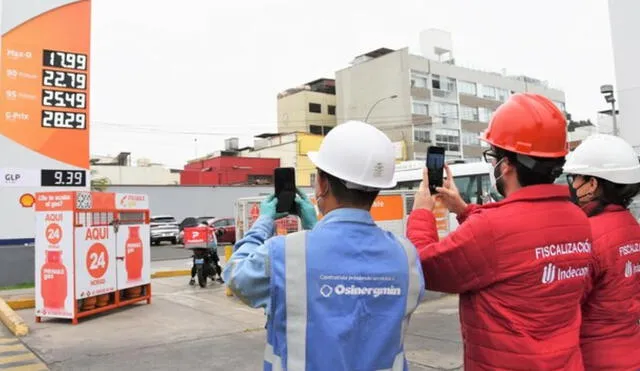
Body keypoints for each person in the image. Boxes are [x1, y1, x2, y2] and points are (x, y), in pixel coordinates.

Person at [407, 93, 594, 369]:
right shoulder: (578, 219)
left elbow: (424, 266)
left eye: (492, 156)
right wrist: (463, 210)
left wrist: (422, 211)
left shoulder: (492, 229)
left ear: (505, 166)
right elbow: (511, 249)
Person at [223, 121, 425, 371]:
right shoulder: (406, 256)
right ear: (377, 189)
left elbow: (235, 275)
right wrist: (315, 226)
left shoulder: (284, 254)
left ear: (323, 184)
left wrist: (262, 223)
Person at [562, 133, 640, 370]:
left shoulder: (588, 235)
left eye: (575, 178)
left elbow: (568, 304)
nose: (572, 186)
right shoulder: (633, 227)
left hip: (594, 357)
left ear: (593, 184)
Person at [189, 221, 223, 285]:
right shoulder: (209, 230)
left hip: (196, 250)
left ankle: (192, 279)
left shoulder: (195, 230)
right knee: (217, 261)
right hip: (207, 249)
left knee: (194, 265)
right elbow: (213, 241)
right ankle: (219, 277)